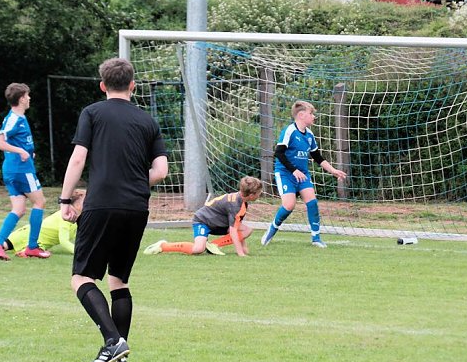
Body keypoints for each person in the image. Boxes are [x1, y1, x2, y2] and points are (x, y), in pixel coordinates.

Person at [59, 57, 168, 362]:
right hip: (136, 207)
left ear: (103, 85)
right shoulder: (148, 121)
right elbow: (161, 172)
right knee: (118, 280)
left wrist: (66, 198)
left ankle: (113, 341)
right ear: (133, 85)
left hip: (102, 204)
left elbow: (79, 158)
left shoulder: (92, 112)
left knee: (81, 277)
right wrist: (133, 179)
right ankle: (119, 356)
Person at [261, 100, 346, 248]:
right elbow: (279, 153)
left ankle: (316, 238)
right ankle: (272, 228)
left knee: (312, 202)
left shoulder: (309, 135)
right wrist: (294, 170)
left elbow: (318, 157)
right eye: (311, 113)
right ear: (301, 115)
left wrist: (333, 171)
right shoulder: (289, 131)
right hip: (285, 174)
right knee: (289, 205)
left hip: (303, 175)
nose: (314, 117)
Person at [0, 83, 49, 261]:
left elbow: (16, 141)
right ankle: (32, 247)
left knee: (19, 209)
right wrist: (21, 151)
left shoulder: (16, 117)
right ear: (21, 98)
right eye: (28, 96)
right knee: (40, 202)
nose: (29, 98)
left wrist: (27, 150)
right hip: (21, 170)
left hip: (12, 169)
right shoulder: (15, 118)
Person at [144, 176, 263, 257]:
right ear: (251, 195)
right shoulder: (236, 205)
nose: (260, 195)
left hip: (218, 223)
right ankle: (163, 246)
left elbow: (236, 226)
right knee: (197, 250)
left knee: (247, 230)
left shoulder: (241, 201)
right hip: (203, 221)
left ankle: (213, 245)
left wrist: (244, 248)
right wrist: (241, 253)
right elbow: (233, 231)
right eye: (258, 193)